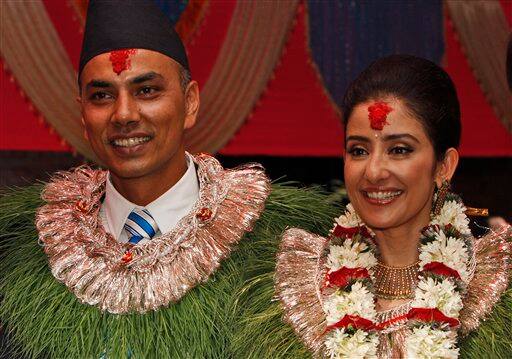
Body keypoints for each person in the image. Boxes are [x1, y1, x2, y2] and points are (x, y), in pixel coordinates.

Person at [0, 1, 337, 358]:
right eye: (102, 96)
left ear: (190, 103)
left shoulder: (278, 241)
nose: (124, 114)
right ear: (82, 116)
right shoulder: (27, 250)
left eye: (147, 91)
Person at [234, 55, 511, 358]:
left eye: (399, 149)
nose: (374, 171)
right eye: (359, 150)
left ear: (444, 166)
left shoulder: (497, 296)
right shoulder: (290, 297)